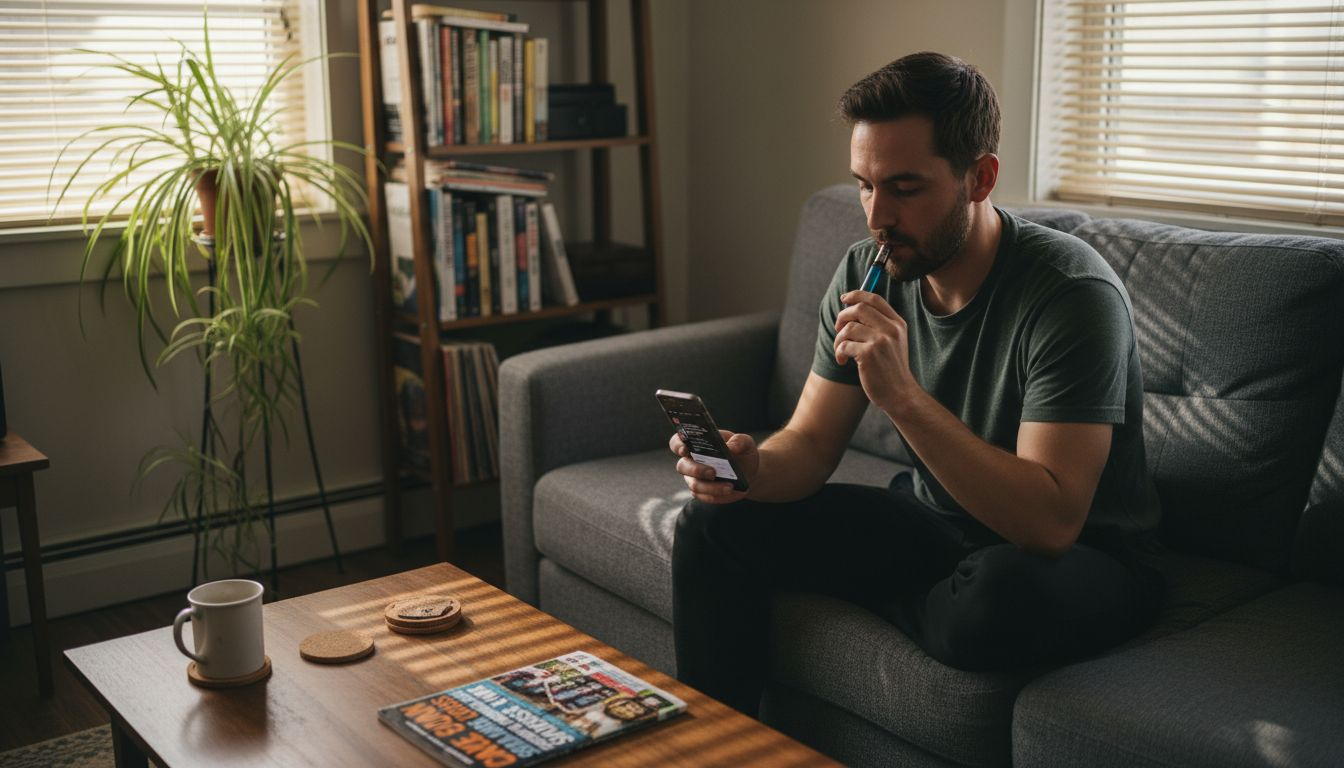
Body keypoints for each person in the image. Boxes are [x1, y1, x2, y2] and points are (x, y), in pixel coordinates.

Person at [669, 51, 1165, 717]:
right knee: (712, 524)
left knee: (994, 596)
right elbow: (811, 446)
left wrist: (901, 395)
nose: (878, 217)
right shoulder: (866, 268)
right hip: (937, 529)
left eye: (904, 189)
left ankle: (900, 592)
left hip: (1078, 557)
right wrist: (751, 468)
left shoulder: (1069, 294)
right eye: (864, 186)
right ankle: (718, 749)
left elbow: (1050, 522)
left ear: (979, 177)